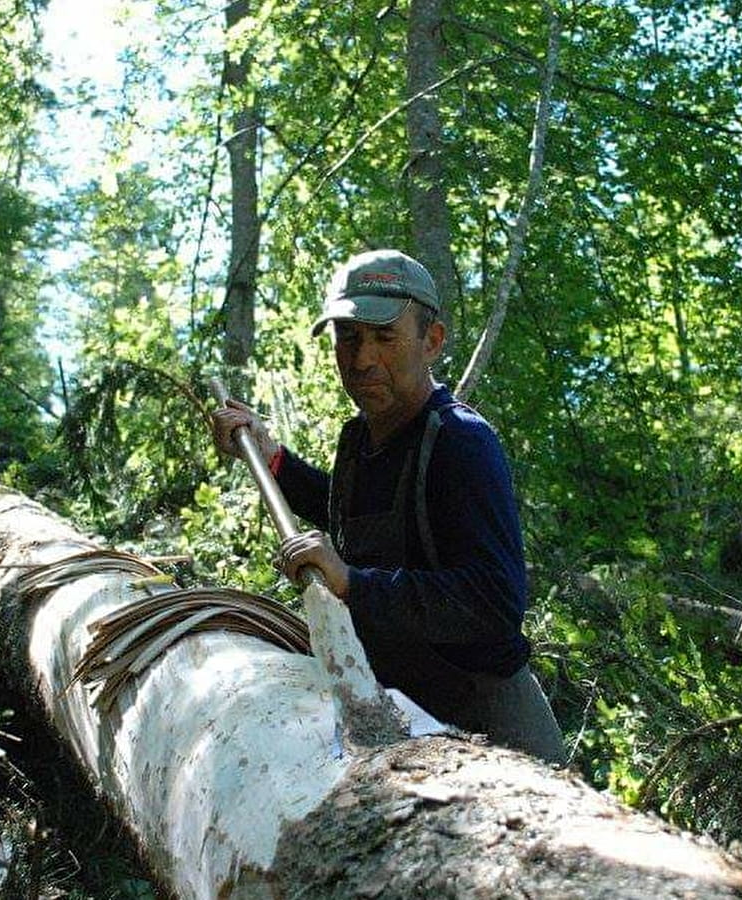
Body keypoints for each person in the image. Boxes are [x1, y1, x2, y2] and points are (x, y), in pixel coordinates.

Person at [211, 249, 566, 764]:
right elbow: (345, 515)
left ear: (432, 341)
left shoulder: (461, 442)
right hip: (402, 713)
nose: (361, 360)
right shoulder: (358, 440)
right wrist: (275, 461)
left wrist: (354, 584)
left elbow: (495, 603)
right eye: (348, 339)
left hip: (493, 722)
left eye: (384, 338)